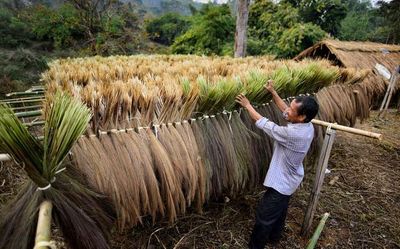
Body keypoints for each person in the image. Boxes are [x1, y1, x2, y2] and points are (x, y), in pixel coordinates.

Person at [235, 79, 319, 249]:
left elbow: (266, 124)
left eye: (292, 109)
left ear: (301, 117)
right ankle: (275, 237)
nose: (287, 110)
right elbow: (284, 109)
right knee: (280, 210)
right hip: (291, 178)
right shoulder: (306, 124)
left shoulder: (294, 134)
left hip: (282, 182)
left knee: (264, 217)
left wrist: (247, 105)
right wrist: (273, 92)